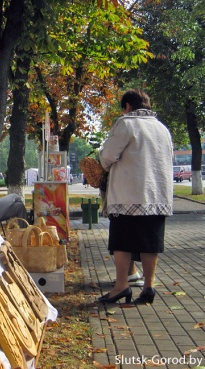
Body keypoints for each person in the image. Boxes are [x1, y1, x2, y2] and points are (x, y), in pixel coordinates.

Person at [97, 89, 173, 305]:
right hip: (157, 195)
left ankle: (121, 286)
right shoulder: (162, 128)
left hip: (128, 195)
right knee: (151, 242)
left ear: (128, 106)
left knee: (123, 241)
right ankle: (149, 286)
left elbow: (107, 157)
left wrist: (101, 160)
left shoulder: (126, 123)